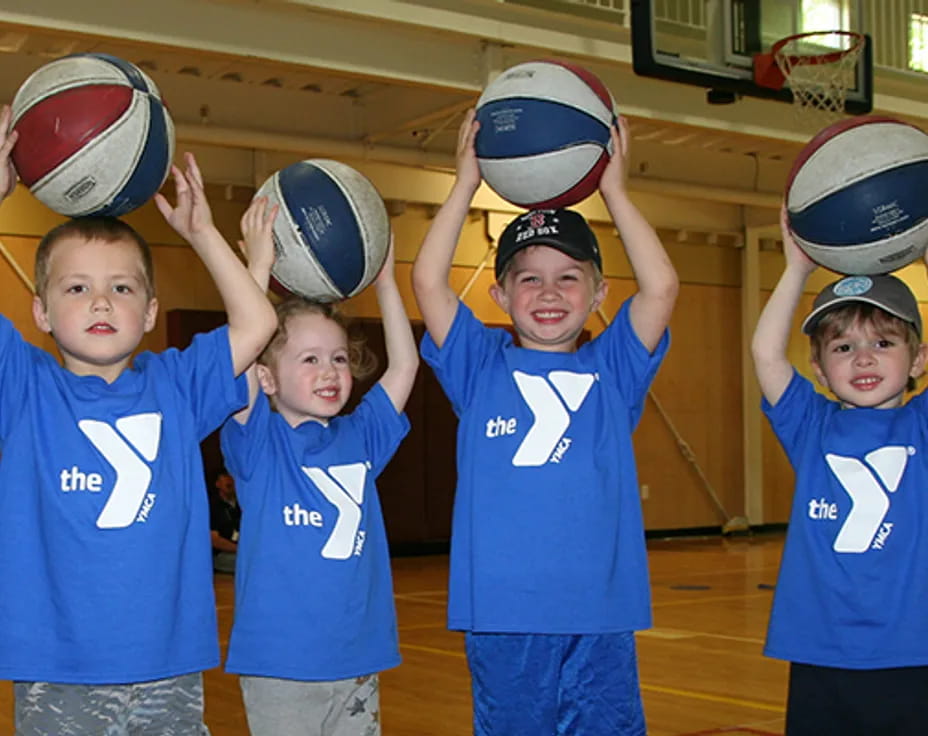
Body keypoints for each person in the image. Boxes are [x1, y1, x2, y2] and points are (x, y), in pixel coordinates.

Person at [0, 104, 277, 735]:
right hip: (58, 671)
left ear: (151, 311)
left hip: (166, 668)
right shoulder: (23, 386)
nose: (101, 301)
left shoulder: (176, 386)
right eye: (76, 288)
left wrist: (202, 232)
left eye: (122, 288)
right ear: (40, 312)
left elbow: (257, 324)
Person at [411, 109, 678, 735]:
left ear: (599, 293)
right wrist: (464, 184)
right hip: (504, 617)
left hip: (599, 615)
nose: (549, 292)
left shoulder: (613, 369)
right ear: (500, 296)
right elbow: (428, 281)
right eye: (529, 279)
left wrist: (615, 191)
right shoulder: (479, 366)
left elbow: (662, 288)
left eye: (568, 278)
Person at [219, 201, 418, 736]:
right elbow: (243, 345)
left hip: (357, 661)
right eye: (309, 359)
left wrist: (386, 282)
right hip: (281, 668)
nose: (329, 371)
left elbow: (404, 366)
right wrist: (258, 268)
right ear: (267, 377)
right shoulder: (258, 443)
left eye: (338, 358)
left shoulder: (361, 438)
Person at [751, 210, 928, 735]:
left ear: (918, 360)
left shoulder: (920, 425)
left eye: (883, 343)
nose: (863, 359)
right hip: (820, 650)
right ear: (820, 369)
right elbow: (765, 353)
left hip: (913, 651)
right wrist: (795, 270)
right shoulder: (811, 427)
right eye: (843, 347)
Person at [209, 467, 241, 574]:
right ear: (217, 483)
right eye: (225, 476)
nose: (229, 479)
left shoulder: (242, 505)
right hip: (222, 554)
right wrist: (239, 549)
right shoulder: (212, 507)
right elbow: (214, 539)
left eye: (232, 476)